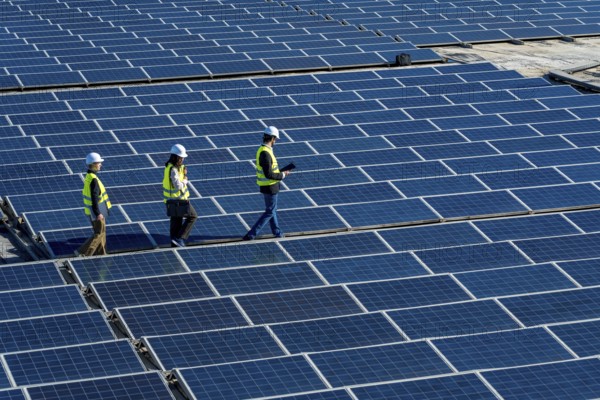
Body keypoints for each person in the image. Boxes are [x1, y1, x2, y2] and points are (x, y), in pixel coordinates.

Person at [243, 126, 290, 240]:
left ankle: (277, 232)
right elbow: (269, 174)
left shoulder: (264, 150)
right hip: (270, 186)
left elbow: (270, 170)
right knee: (270, 211)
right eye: (275, 139)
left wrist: (280, 172)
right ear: (272, 138)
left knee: (272, 209)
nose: (275, 142)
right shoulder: (265, 153)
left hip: (269, 185)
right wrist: (283, 175)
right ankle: (252, 234)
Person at [76, 152, 111, 257]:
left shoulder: (89, 176)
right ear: (94, 164)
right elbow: (94, 198)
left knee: (102, 233)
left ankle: (101, 254)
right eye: (99, 163)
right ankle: (84, 253)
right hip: (97, 210)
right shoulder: (94, 180)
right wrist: (98, 213)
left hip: (95, 210)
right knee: (99, 233)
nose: (101, 165)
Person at [163, 144, 197, 247]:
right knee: (193, 216)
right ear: (176, 157)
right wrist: (185, 180)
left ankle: (174, 242)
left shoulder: (170, 167)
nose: (182, 159)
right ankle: (181, 238)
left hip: (171, 201)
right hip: (179, 200)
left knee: (176, 221)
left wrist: (183, 173)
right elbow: (178, 186)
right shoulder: (173, 170)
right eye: (181, 157)